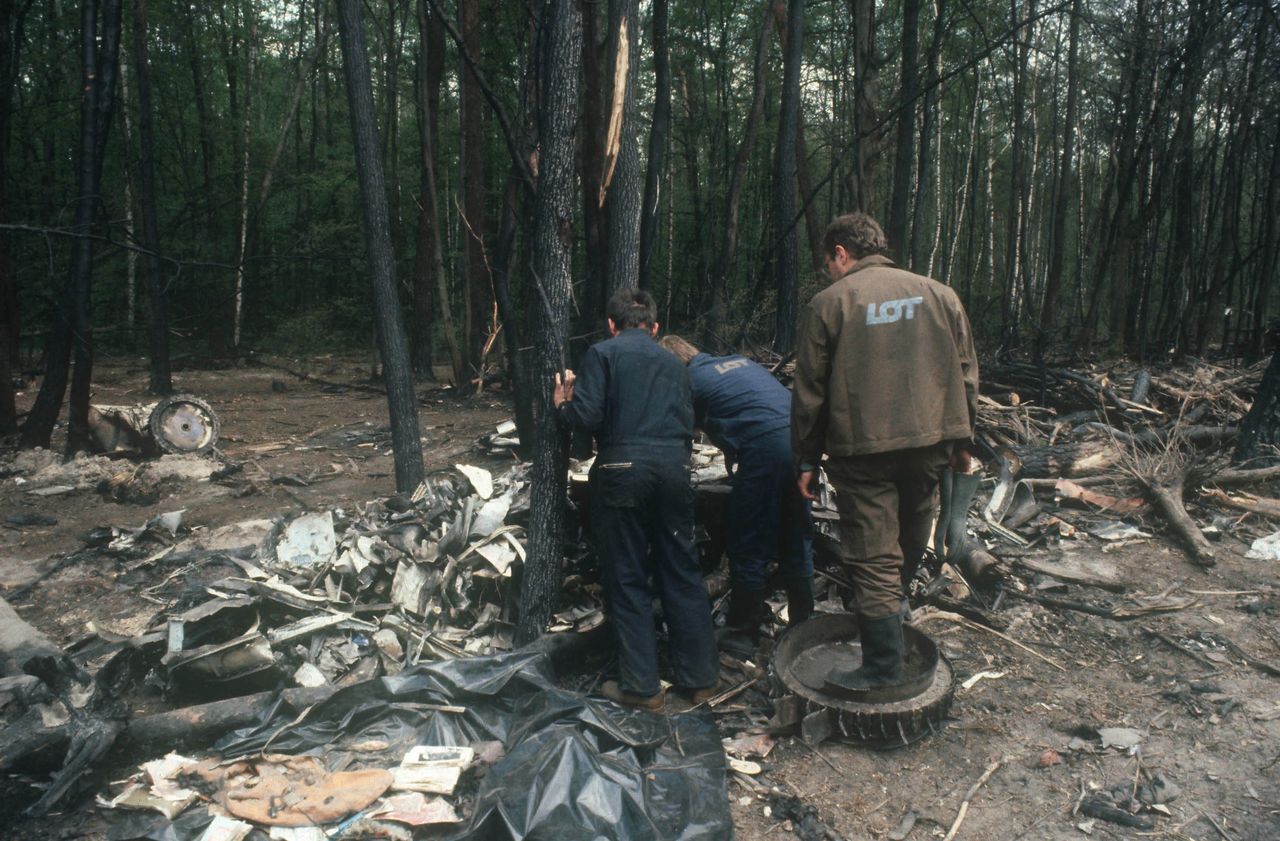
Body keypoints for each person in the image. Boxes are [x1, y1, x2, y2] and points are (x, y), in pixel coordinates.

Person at [792, 212, 978, 694]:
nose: (828, 272)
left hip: (863, 448)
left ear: (840, 253)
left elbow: (809, 391)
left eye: (827, 262)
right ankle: (894, 608)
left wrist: (807, 459)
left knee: (874, 553)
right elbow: (966, 372)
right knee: (915, 524)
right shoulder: (940, 294)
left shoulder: (829, 303)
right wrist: (964, 442)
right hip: (933, 440)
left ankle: (880, 669)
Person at [553, 289, 720, 710]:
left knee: (627, 575)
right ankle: (699, 679)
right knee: (681, 569)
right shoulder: (676, 362)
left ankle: (642, 687)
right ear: (656, 327)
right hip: (676, 471)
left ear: (612, 324)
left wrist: (562, 406)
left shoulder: (602, 353)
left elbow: (587, 418)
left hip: (622, 471)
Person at [658, 335, 814, 651]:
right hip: (800, 442)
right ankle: (805, 623)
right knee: (795, 532)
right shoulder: (736, 362)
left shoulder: (687, 380)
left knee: (748, 538)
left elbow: (678, 434)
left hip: (765, 447)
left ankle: (742, 632)